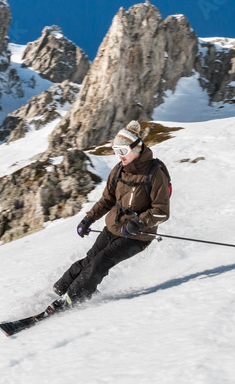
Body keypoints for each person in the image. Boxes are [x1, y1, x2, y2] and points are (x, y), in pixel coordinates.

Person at [50, 120, 170, 309]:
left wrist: (138, 222)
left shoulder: (154, 174)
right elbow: (107, 199)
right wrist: (89, 218)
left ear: (136, 148)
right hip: (114, 226)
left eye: (122, 151)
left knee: (101, 261)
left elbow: (162, 211)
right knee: (90, 259)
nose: (119, 156)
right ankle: (61, 288)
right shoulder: (118, 171)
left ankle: (73, 298)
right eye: (116, 151)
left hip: (138, 235)